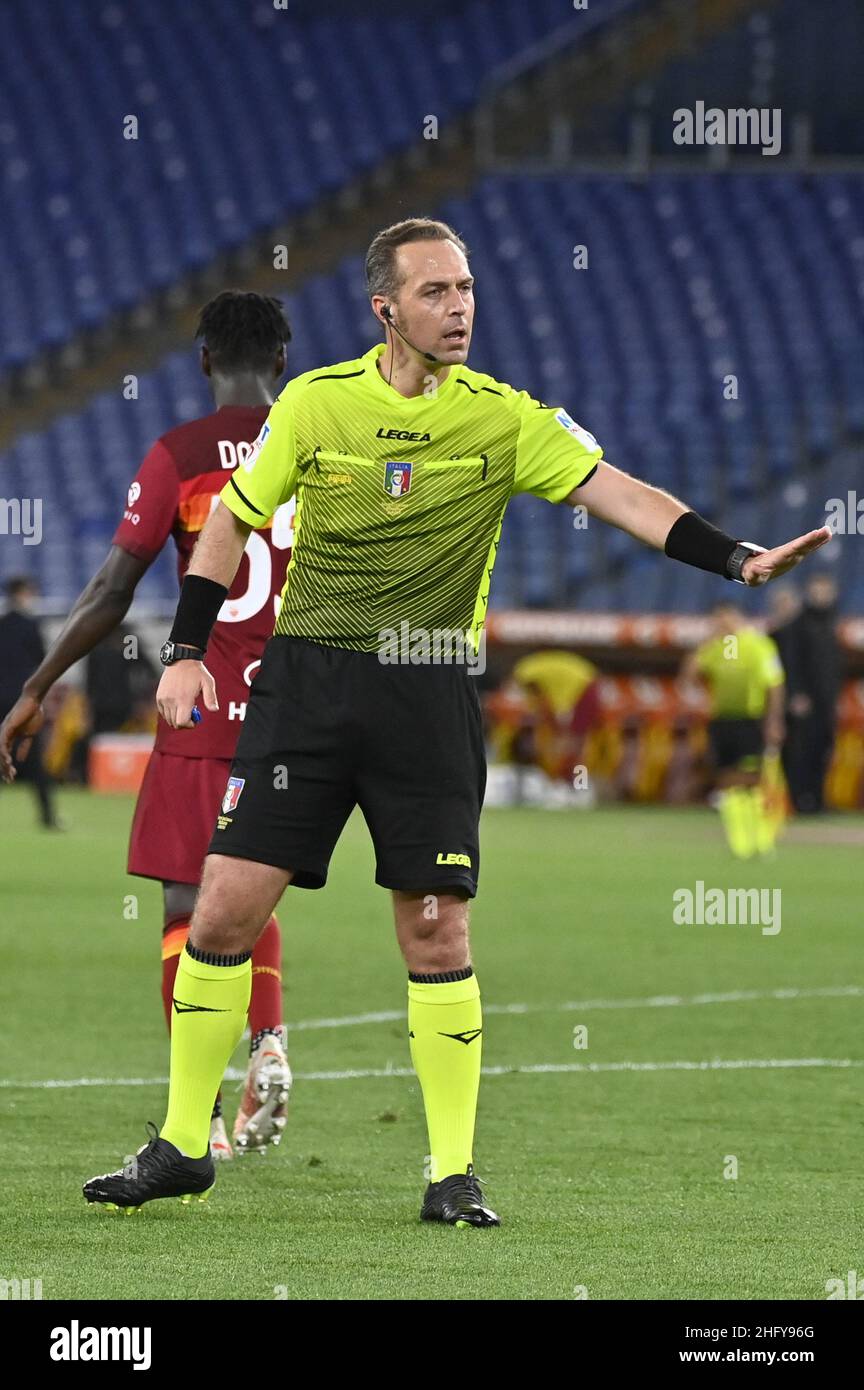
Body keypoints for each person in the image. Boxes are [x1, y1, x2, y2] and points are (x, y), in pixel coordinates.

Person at [81, 217, 831, 1225]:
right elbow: (230, 520)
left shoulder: (505, 417)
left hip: (426, 695)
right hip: (304, 689)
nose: (462, 305)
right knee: (220, 913)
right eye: (436, 291)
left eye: (467, 287)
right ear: (386, 308)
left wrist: (734, 557)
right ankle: (181, 1143)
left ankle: (451, 1172)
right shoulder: (316, 404)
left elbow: (620, 495)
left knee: (436, 929)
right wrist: (182, 651)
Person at [0, 291, 295, 1160]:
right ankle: (269, 1042)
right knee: (251, 884)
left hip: (202, 702)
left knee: (186, 896)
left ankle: (196, 1112)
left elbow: (111, 590)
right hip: (301, 711)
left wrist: (37, 687)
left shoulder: (179, 455)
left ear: (203, 360)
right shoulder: (322, 444)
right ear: (281, 361)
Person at [681, 603, 785, 857]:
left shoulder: (758, 645)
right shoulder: (715, 648)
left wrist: (774, 720)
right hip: (722, 722)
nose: (722, 624)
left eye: (725, 619)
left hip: (750, 720)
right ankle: (739, 843)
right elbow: (688, 678)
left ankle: (761, 839)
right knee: (726, 782)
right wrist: (705, 644)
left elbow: (775, 685)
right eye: (717, 620)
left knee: (751, 779)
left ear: (738, 618)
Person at [776, 574, 842, 813]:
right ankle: (799, 799)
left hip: (826, 701)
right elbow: (791, 663)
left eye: (826, 590)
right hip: (807, 701)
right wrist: (796, 693)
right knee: (801, 751)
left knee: (823, 751)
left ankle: (817, 799)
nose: (822, 595)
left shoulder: (830, 622)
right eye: (818, 590)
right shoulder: (798, 624)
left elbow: (833, 666)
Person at [0, 578, 60, 829]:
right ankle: (48, 817)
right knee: (33, 756)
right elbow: (42, 662)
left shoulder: (2, 625)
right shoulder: (30, 626)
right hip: (23, 700)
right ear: (22, 593)